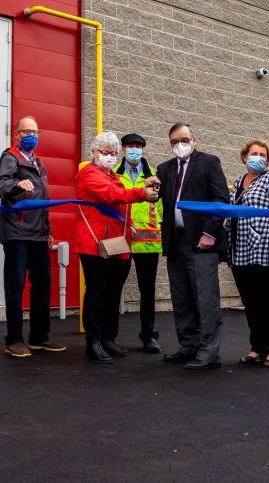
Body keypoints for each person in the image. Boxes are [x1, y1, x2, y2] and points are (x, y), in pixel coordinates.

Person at [74, 131, 159, 363]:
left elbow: (121, 206)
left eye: (112, 153)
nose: (109, 157)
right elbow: (112, 195)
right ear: (93, 153)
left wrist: (129, 225)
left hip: (116, 243)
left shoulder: (111, 175)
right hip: (95, 243)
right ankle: (93, 342)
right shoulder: (89, 174)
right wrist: (141, 192)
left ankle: (108, 339)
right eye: (104, 152)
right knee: (97, 291)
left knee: (112, 294)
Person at [156, 123, 230, 371]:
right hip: (175, 242)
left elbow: (221, 200)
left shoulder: (209, 162)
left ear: (194, 140)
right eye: (174, 141)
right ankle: (188, 345)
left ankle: (209, 352)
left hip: (201, 242)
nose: (180, 145)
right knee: (182, 297)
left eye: (184, 139)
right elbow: (163, 201)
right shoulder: (164, 169)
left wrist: (210, 232)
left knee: (205, 298)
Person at [0, 116, 66, 358]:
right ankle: (13, 339)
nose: (31, 136)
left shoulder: (39, 163)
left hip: (39, 234)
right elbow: (0, 186)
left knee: (43, 285)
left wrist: (49, 231)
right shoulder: (10, 157)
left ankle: (39, 337)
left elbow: (44, 201)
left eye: (35, 131)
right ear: (17, 135)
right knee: (15, 285)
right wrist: (17, 184)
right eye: (26, 132)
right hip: (17, 232)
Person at [227, 140, 269, 368]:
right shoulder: (238, 182)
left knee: (264, 300)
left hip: (260, 249)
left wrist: (264, 235)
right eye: (254, 153)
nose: (258, 157)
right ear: (245, 157)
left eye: (263, 155)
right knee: (249, 301)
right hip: (238, 249)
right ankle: (256, 347)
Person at [115, 133, 163, 353]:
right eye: (130, 146)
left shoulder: (155, 175)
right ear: (123, 150)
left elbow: (162, 208)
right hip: (121, 240)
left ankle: (149, 336)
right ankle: (109, 337)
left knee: (147, 291)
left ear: (143, 150)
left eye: (138, 147)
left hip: (148, 242)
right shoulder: (114, 175)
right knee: (113, 289)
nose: (135, 150)